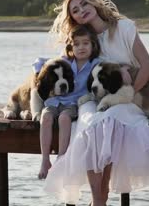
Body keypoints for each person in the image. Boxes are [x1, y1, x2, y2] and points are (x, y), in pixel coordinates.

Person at [43, 0, 149, 206]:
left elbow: (148, 67)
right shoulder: (84, 40)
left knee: (110, 121)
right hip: (93, 99)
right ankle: (98, 200)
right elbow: (62, 69)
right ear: (72, 18)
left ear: (93, 3)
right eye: (75, 10)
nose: (81, 10)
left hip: (129, 96)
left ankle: (100, 200)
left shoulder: (124, 28)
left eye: (84, 4)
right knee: (90, 123)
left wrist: (128, 95)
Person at [38, 24, 102, 180]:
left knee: (64, 118)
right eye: (76, 44)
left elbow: (110, 69)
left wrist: (124, 69)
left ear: (93, 45)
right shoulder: (65, 61)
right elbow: (40, 64)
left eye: (85, 43)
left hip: (74, 103)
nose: (81, 47)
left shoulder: (95, 64)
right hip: (55, 100)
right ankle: (45, 159)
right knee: (45, 117)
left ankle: (61, 158)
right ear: (70, 46)